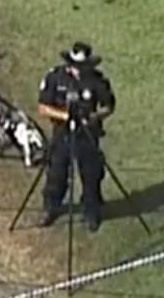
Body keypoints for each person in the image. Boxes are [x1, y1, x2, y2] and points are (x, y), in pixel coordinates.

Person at [37, 42, 115, 232]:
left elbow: (109, 106)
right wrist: (65, 116)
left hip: (87, 135)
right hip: (62, 133)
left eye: (83, 67)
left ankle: (91, 211)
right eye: (76, 67)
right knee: (56, 173)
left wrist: (93, 117)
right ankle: (51, 206)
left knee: (91, 175)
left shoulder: (97, 81)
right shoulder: (55, 77)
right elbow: (43, 107)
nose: (79, 71)